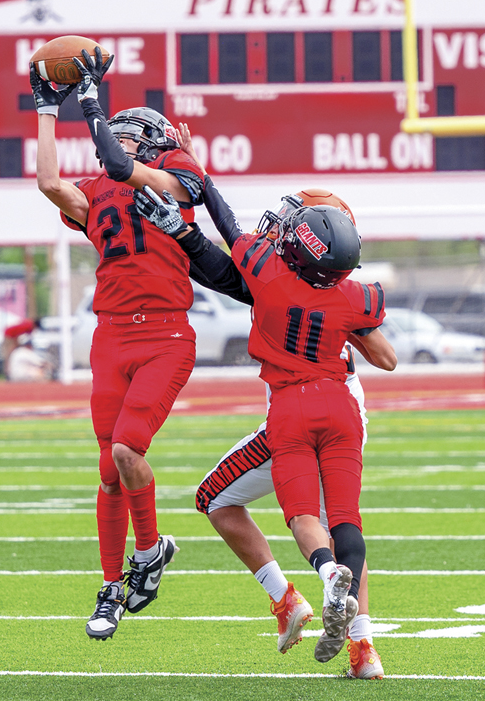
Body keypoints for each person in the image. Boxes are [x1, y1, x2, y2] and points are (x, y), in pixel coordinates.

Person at [136, 164, 396, 665]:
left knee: (252, 506)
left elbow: (224, 246)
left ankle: (288, 599)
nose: (280, 227)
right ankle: (361, 647)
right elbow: (387, 357)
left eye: (292, 224)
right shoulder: (348, 295)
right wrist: (344, 321)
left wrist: (180, 220)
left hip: (293, 410)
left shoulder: (273, 277)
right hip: (344, 407)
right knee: (343, 522)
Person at [29, 46, 205, 640]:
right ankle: (110, 588)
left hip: (166, 335)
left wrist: (96, 109)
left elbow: (187, 182)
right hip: (110, 336)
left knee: (129, 452)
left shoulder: (174, 182)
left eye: (133, 139)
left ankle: (150, 551)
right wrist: (46, 108)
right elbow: (49, 181)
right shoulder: (96, 192)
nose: (122, 146)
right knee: (108, 470)